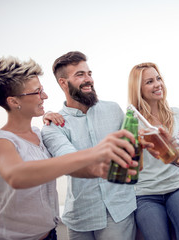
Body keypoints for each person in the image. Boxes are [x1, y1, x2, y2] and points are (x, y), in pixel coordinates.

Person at [0, 56, 136, 240]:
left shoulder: (40, 133)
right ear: (14, 102)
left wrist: (106, 168)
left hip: (50, 233)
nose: (45, 96)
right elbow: (16, 175)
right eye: (37, 92)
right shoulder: (0, 140)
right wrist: (98, 152)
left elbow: (67, 164)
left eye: (42, 90)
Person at [41, 51, 137, 240]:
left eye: (89, 74)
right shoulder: (53, 126)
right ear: (63, 83)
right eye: (80, 75)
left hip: (118, 211)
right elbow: (69, 162)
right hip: (80, 217)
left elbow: (132, 154)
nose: (88, 80)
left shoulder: (114, 110)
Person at [128, 62, 179, 240]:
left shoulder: (176, 114)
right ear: (138, 89)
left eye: (158, 78)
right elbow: (129, 166)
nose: (158, 84)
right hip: (145, 194)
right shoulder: (131, 121)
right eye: (149, 81)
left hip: (177, 188)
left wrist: (171, 146)